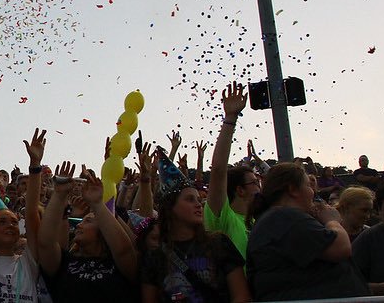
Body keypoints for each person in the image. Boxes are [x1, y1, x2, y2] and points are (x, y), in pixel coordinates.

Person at [246, 163, 369, 300]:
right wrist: (332, 221)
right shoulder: (286, 217)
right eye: (308, 186)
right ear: (292, 189)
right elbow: (341, 248)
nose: (313, 192)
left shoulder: (276, 219)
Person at [141, 149, 249, 303]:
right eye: (190, 199)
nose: (199, 205)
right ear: (170, 208)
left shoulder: (219, 244)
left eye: (198, 199)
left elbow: (241, 296)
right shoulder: (154, 257)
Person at [37, 161, 139, 302]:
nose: (79, 226)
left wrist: (97, 204)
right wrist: (59, 194)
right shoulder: (65, 263)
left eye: (88, 221)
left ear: (105, 230)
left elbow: (124, 250)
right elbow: (45, 243)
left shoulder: (118, 265)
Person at [0, 129, 51, 302]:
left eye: (14, 222)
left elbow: (31, 214)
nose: (11, 225)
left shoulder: (28, 262)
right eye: (2, 222)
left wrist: (35, 163)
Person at [203, 81, 255, 260]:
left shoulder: (259, 220)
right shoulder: (223, 217)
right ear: (240, 190)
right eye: (254, 183)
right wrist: (230, 118)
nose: (260, 186)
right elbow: (218, 170)